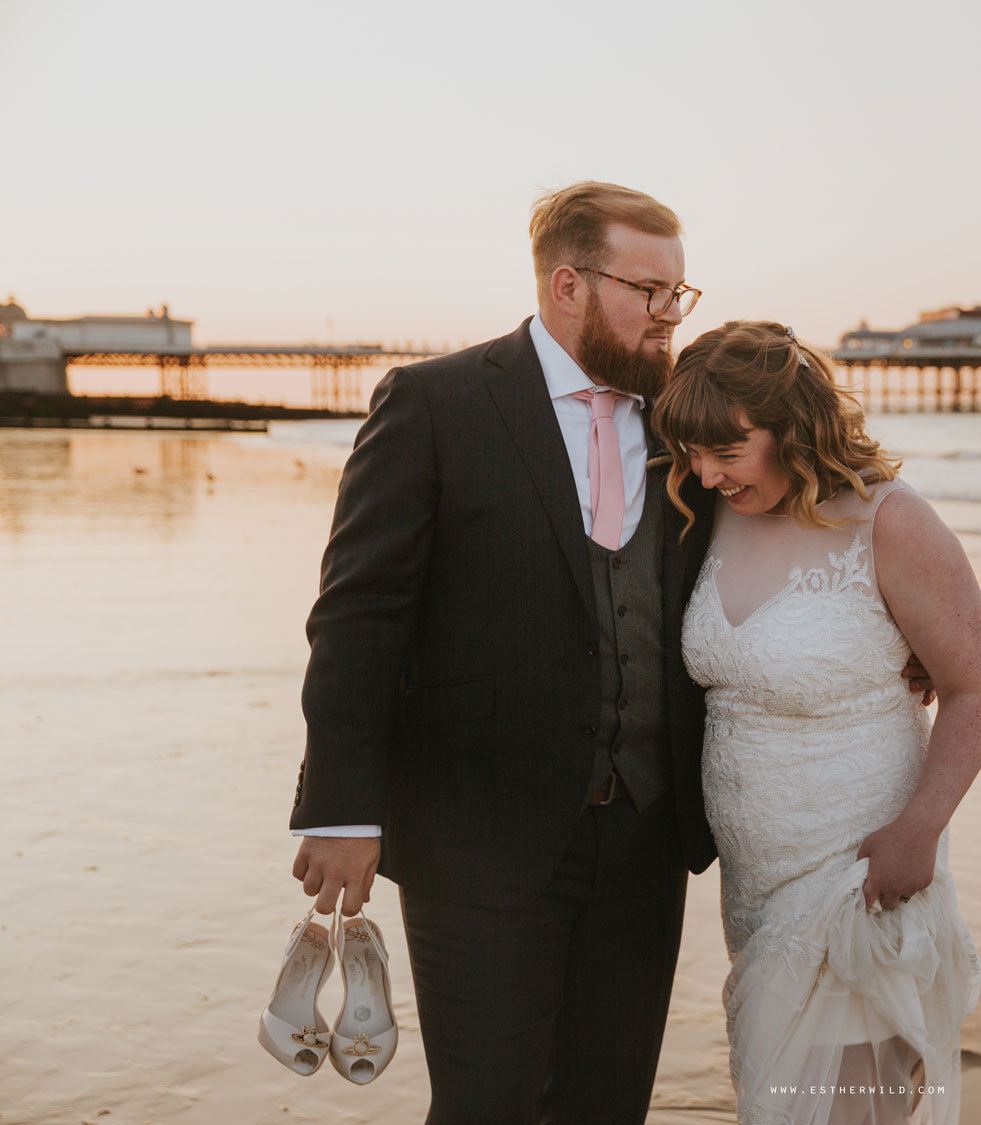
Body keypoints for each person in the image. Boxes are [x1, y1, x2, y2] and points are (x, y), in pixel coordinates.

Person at [287, 182, 719, 1122]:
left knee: (609, 1107)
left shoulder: (684, 423)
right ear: (568, 283)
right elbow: (358, 615)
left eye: (678, 294)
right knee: (488, 1106)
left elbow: (793, 507)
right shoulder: (436, 403)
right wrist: (345, 805)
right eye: (648, 290)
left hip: (645, 840)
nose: (668, 315)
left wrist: (890, 629)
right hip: (477, 839)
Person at [651, 321, 981, 1125]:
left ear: (793, 428)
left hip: (861, 870)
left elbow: (974, 690)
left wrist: (920, 827)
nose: (704, 474)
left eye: (727, 452)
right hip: (756, 886)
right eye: (694, 452)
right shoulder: (708, 513)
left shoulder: (891, 521)